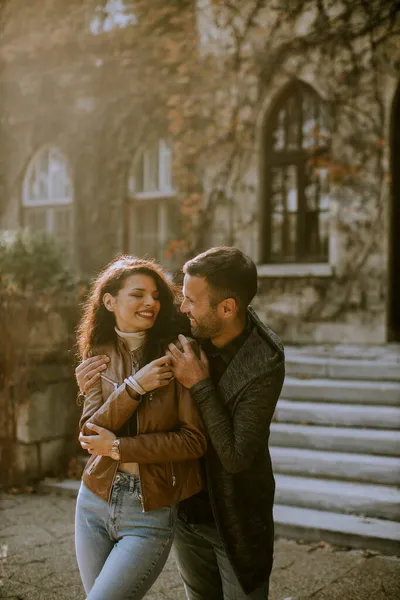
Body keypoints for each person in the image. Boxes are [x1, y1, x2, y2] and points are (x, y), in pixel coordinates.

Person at [76, 247, 285, 600]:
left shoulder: (263, 361)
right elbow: (127, 345)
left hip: (234, 514)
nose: (179, 306)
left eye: (190, 300)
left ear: (227, 308)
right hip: (184, 503)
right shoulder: (182, 325)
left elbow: (234, 456)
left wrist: (199, 384)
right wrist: (95, 388)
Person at [74, 255, 207, 600]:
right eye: (138, 294)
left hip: (148, 511)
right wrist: (133, 387)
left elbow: (193, 442)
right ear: (109, 301)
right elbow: (90, 434)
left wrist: (119, 447)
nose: (151, 302)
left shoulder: (179, 353)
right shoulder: (98, 352)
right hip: (93, 501)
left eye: (156, 295)